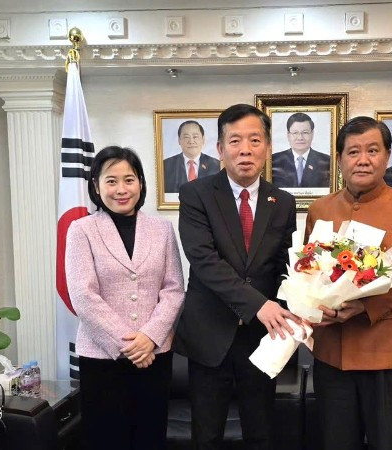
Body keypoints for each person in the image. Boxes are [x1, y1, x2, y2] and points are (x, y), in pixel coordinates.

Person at [174, 104, 299, 450]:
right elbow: (204, 261)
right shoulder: (196, 194)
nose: (245, 149)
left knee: (261, 433)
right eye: (235, 141)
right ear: (220, 149)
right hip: (210, 334)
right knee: (207, 436)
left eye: (255, 140)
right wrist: (259, 305)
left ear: (268, 147)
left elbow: (284, 265)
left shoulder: (282, 201)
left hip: (262, 337)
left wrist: (297, 307)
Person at [304, 116, 392, 450]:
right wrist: (314, 302)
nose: (363, 160)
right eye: (353, 152)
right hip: (333, 353)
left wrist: (364, 305)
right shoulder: (320, 209)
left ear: (387, 156)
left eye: (372, 151)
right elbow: (309, 270)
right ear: (340, 159)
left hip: (388, 354)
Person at [65, 146, 185, 449]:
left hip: (155, 355)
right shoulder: (81, 230)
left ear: (140, 183)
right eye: (111, 181)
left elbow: (173, 289)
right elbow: (83, 294)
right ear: (96, 186)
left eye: (129, 180)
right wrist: (130, 345)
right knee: (106, 439)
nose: (121, 189)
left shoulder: (162, 229)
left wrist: (150, 337)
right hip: (102, 358)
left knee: (150, 437)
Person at [271, 112, 331, 189]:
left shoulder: (326, 162)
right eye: (295, 133)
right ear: (288, 135)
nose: (300, 138)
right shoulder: (274, 161)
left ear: (312, 134)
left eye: (305, 133)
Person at [163, 120, 221, 193]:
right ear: (179, 140)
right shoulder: (166, 165)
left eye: (195, 137)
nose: (191, 141)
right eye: (186, 137)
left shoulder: (217, 165)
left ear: (203, 140)